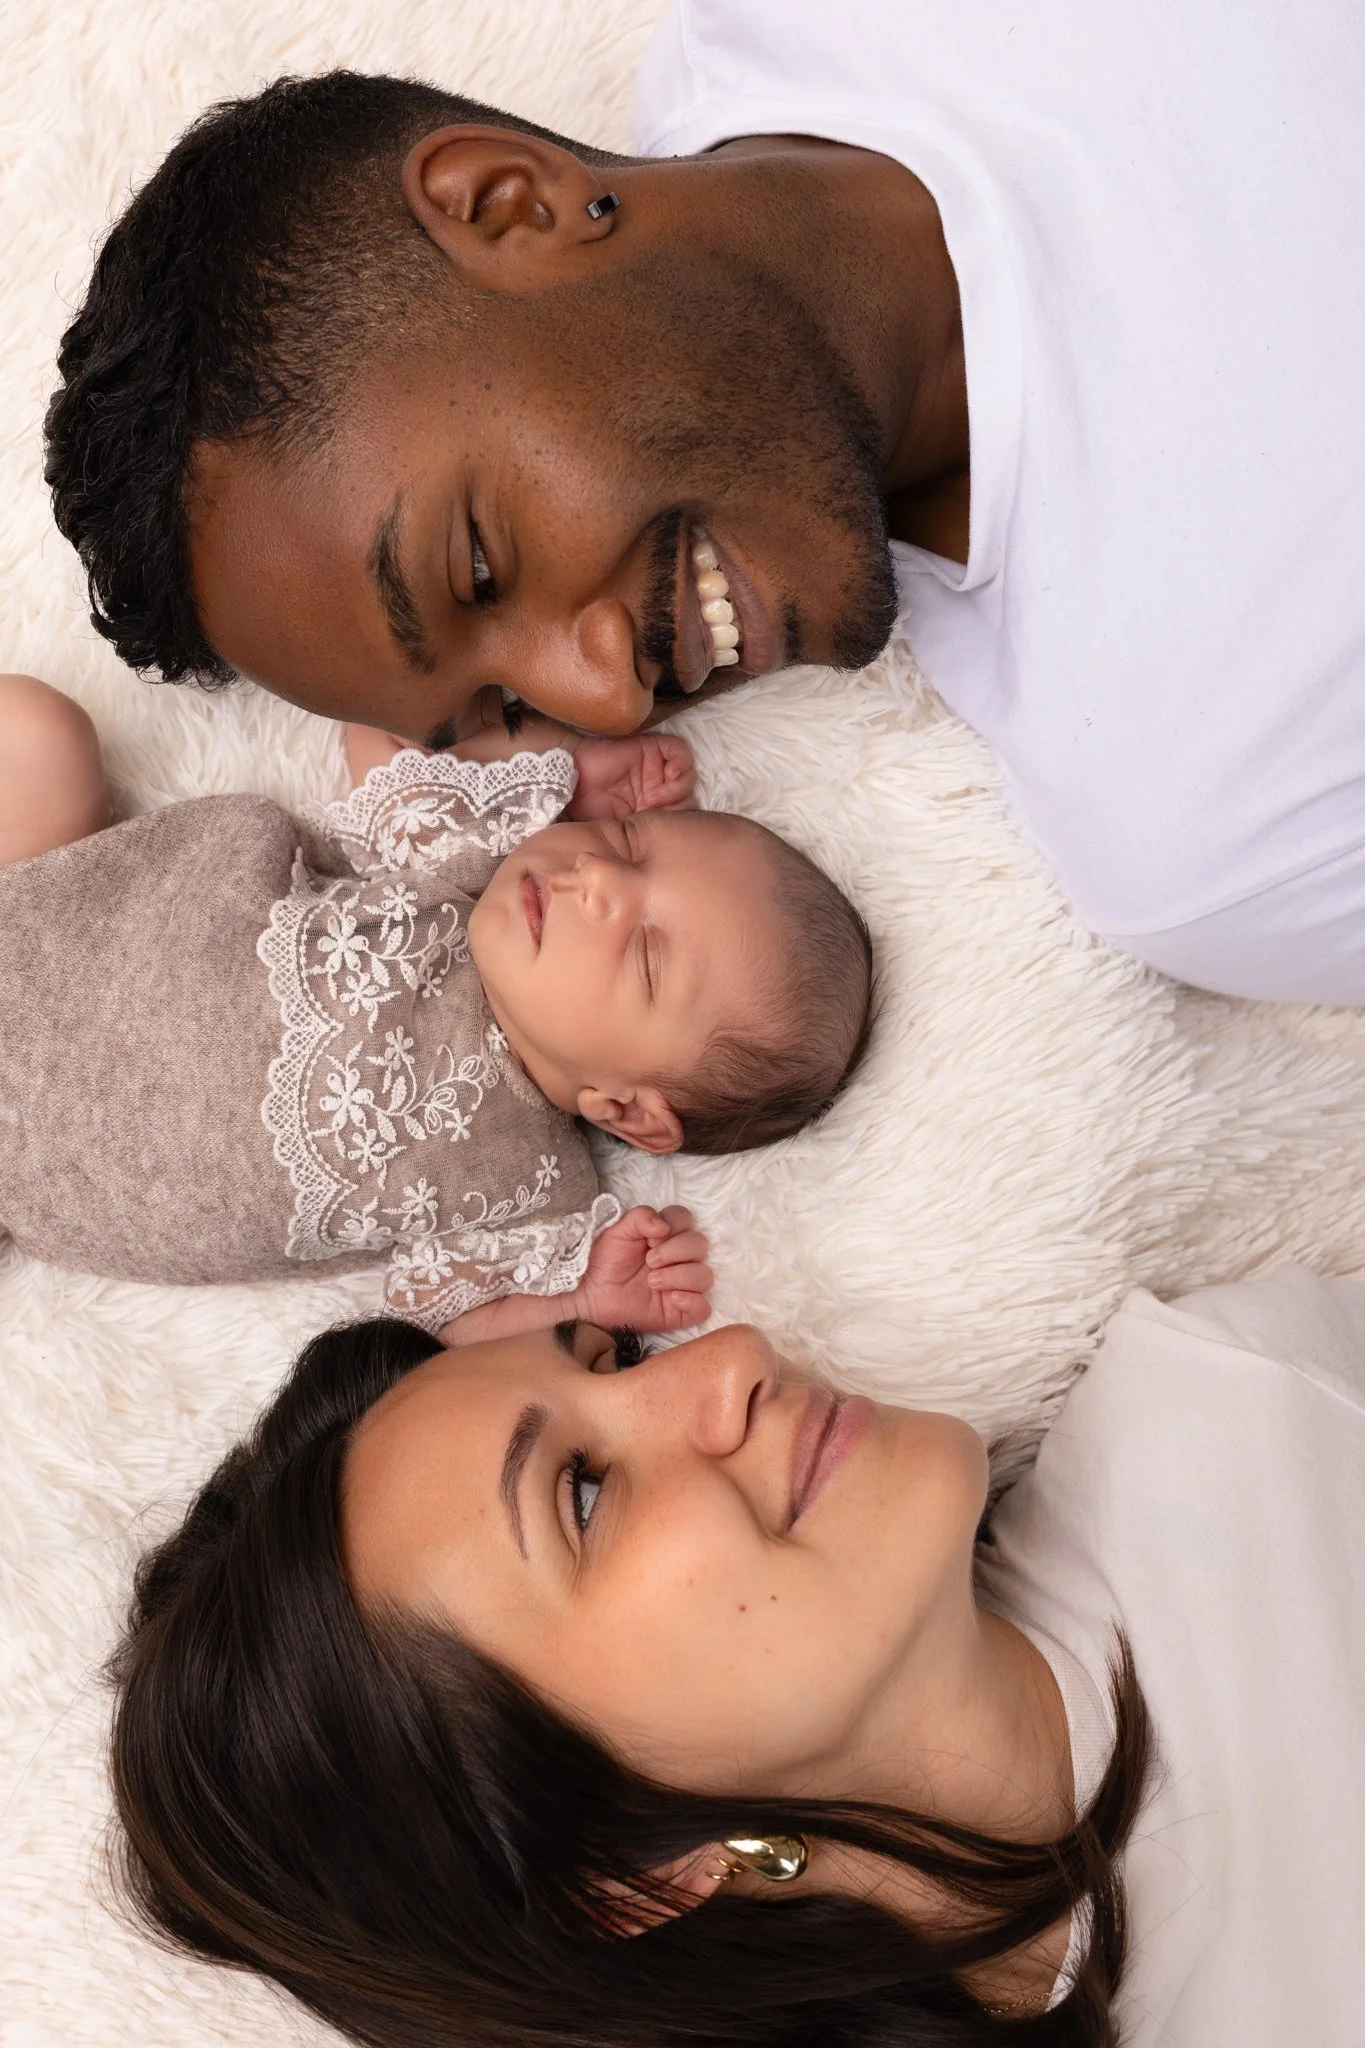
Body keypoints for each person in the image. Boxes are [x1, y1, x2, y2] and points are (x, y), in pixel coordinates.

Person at [42, 3, 1365, 1005]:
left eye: (483, 568)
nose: (609, 694)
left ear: (510, 204)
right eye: (506, 714)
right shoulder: (1193, 823)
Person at [106, 1261, 1365, 2046]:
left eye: (622, 1356)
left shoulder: (1247, 1410)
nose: (730, 1363)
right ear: (626, 1880)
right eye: (583, 1494)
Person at [0, 672, 870, 1333]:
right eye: (627, 843)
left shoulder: (528, 1195)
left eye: (644, 953)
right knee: (34, 735)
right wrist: (555, 774)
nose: (595, 879)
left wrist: (583, 1300)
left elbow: (449, 1329)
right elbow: (374, 717)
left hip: (37, 1178)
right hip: (44, 920)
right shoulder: (461, 868)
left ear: (630, 1111)